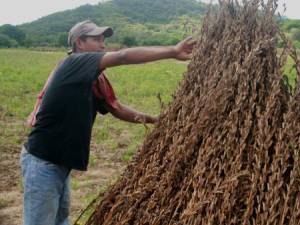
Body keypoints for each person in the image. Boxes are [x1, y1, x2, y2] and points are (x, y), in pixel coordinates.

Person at [21, 20, 195, 225]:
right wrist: (172, 51)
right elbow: (122, 56)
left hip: (59, 163)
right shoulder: (75, 63)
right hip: (43, 162)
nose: (103, 45)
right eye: (96, 39)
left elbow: (117, 109)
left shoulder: (93, 79)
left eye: (103, 40)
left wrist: (156, 120)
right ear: (79, 42)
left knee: (61, 221)